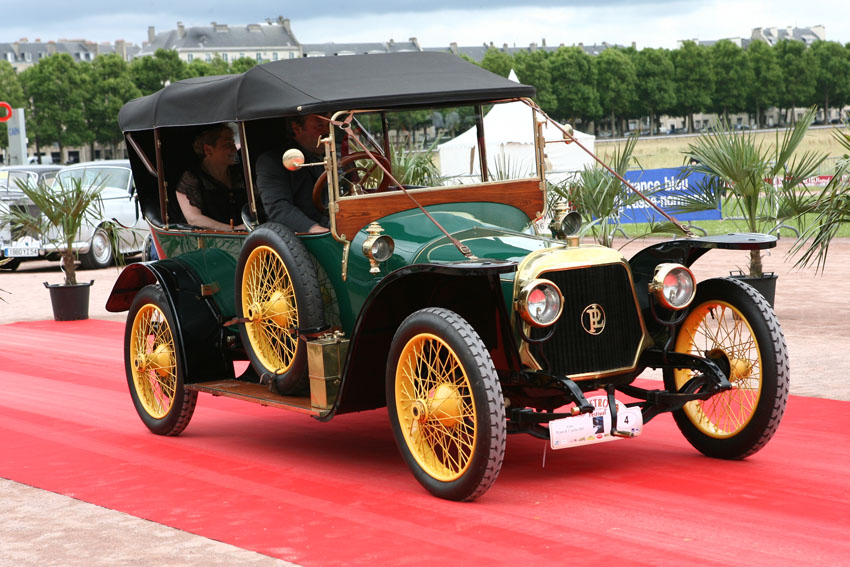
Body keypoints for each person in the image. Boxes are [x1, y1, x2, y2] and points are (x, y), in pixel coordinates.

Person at [256, 114, 331, 234]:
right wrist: (313, 228)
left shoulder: (335, 157)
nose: (327, 131)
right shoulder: (272, 161)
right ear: (297, 129)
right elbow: (278, 207)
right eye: (319, 126)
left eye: (328, 125)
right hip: (300, 237)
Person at [175, 124, 247, 231]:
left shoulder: (239, 174)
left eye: (233, 143)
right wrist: (234, 229)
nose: (234, 149)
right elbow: (194, 219)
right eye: (227, 144)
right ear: (208, 150)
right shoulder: (191, 178)